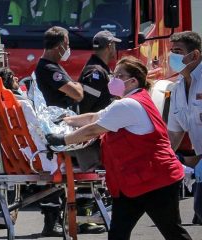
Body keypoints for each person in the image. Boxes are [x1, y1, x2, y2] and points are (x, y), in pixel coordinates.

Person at [46, 56, 192, 240]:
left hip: (156, 181)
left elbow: (93, 129)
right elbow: (93, 117)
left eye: (119, 75)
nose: (113, 79)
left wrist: (63, 139)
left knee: (172, 232)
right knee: (118, 234)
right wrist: (65, 120)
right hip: (134, 181)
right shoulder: (128, 101)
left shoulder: (128, 104)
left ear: (132, 81)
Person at [33, 26, 85, 237]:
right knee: (55, 174)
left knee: (59, 175)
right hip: (55, 127)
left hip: (58, 126)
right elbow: (77, 93)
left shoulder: (51, 66)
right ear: (60, 44)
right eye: (68, 44)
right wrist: (76, 85)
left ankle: (59, 220)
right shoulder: (49, 68)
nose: (69, 48)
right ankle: (52, 222)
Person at [166, 31, 202, 225]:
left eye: (178, 51)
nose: (173, 56)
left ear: (195, 55)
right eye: (172, 51)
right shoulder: (178, 88)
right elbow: (174, 133)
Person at [75, 30, 120, 172]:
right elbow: (86, 106)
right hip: (93, 136)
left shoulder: (100, 70)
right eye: (114, 46)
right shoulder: (96, 72)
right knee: (95, 172)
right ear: (110, 46)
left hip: (98, 132)